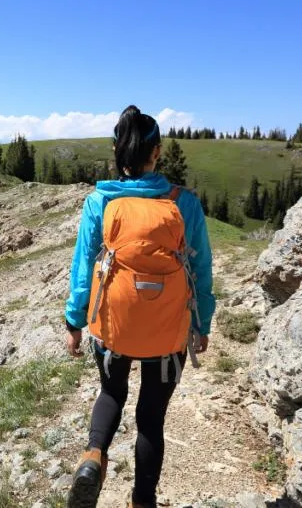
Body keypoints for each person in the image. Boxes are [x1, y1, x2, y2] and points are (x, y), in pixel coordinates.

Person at [64, 106, 215, 508]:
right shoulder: (184, 203)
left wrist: (74, 320)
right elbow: (200, 269)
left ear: (117, 151)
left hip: (114, 323)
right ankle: (142, 501)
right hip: (167, 329)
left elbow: (83, 267)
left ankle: (94, 455)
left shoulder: (100, 201)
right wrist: (203, 324)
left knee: (112, 392)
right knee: (151, 417)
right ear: (157, 152)